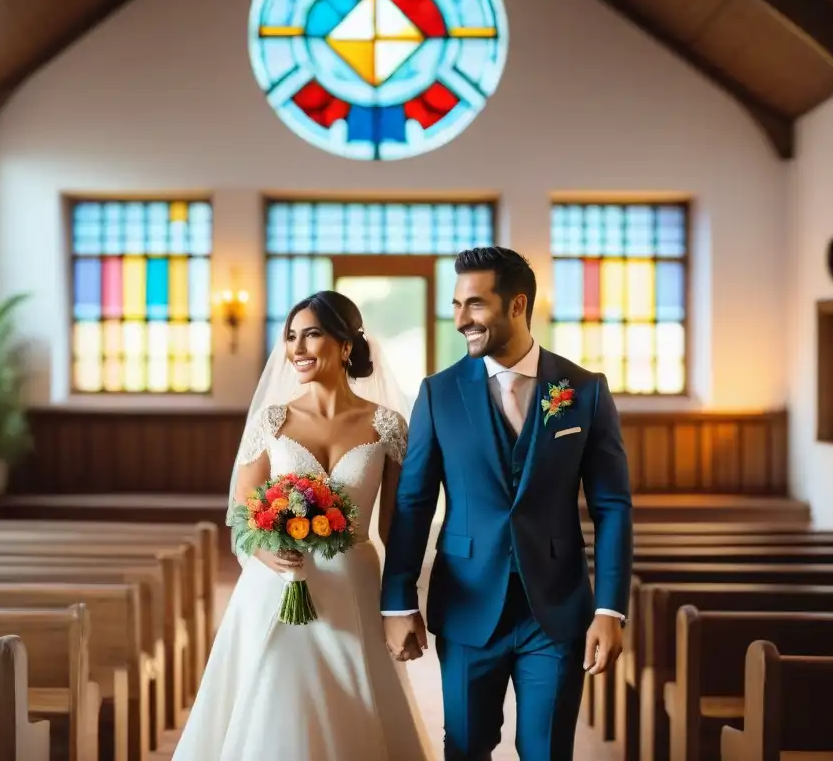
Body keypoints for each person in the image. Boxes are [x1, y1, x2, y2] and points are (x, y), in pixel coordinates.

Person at [381, 246, 634, 760]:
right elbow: (412, 503)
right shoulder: (438, 394)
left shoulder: (583, 391)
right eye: (455, 305)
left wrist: (610, 609)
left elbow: (612, 506)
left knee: (546, 750)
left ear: (517, 305)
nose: (460, 320)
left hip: (557, 610)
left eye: (473, 305)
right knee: (468, 747)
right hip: (468, 605)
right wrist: (399, 599)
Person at [172, 290, 434, 761]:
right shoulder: (272, 420)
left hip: (353, 583)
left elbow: (398, 530)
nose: (297, 348)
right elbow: (241, 513)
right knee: (274, 703)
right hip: (275, 585)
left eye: (311, 335)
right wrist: (263, 551)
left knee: (356, 703)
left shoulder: (388, 425)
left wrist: (402, 607)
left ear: (346, 345)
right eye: (291, 337)